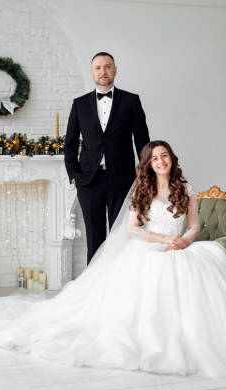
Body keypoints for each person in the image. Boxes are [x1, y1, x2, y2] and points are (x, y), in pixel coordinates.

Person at [0, 141, 226, 378]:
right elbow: (135, 230)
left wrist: (183, 240)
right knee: (151, 269)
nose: (161, 161)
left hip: (181, 246)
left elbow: (194, 225)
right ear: (148, 163)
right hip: (149, 247)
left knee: (205, 265)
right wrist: (165, 238)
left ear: (172, 159)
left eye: (165, 156)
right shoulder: (142, 191)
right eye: (155, 158)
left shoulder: (187, 188)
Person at [65, 52, 150, 264]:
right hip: (88, 181)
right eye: (98, 67)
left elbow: (143, 142)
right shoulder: (79, 104)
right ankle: (94, 290)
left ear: (115, 70)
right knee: (94, 238)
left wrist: (144, 176)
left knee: (121, 237)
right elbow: (70, 143)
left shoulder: (131, 101)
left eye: (107, 66)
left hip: (122, 180)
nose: (103, 71)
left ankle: (119, 286)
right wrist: (74, 174)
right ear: (92, 72)